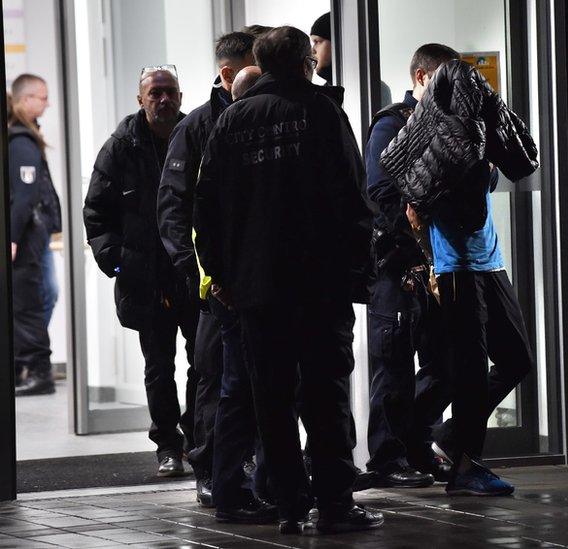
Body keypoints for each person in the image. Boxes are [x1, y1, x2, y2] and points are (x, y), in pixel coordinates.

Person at [195, 26, 382, 534]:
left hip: (256, 291)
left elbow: (205, 208)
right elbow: (351, 199)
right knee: (325, 399)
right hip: (318, 286)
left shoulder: (232, 119)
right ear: (306, 63)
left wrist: (222, 277)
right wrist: (358, 274)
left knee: (270, 400)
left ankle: (290, 506)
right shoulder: (322, 112)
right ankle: (336, 506)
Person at [381, 54, 539, 496]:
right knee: (467, 369)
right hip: (455, 266)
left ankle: (444, 438)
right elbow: (413, 200)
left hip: (488, 259)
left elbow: (520, 159)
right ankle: (465, 465)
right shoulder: (421, 135)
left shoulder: (472, 127)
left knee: (516, 359)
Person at [156, 31, 266, 513]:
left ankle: (249, 472)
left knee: (250, 381)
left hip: (255, 281)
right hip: (214, 287)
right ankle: (209, 470)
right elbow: (175, 208)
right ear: (230, 71)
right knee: (213, 379)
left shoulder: (261, 116)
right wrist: (196, 273)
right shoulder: (200, 126)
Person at [83, 66, 197, 477]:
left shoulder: (196, 134)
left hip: (194, 273)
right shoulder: (120, 147)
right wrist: (118, 262)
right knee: (158, 365)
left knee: (204, 361)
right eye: (155, 93)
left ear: (181, 95)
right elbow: (96, 212)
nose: (163, 100)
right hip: (146, 277)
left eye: (170, 92)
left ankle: (199, 439)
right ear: (140, 99)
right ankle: (167, 444)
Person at [362, 44, 464, 488]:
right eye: (443, 82)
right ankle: (387, 457)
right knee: (394, 365)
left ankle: (414, 442)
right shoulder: (391, 124)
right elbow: (382, 194)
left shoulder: (453, 126)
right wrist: (416, 240)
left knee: (446, 364)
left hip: (439, 263)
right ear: (421, 78)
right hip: (398, 265)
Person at [9, 74, 61, 397]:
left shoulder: (24, 138)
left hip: (33, 235)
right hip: (29, 236)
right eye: (41, 97)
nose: (47, 103)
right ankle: (35, 368)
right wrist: (14, 237)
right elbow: (25, 195)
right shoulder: (21, 141)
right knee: (32, 300)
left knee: (41, 296)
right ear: (25, 100)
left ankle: (27, 364)